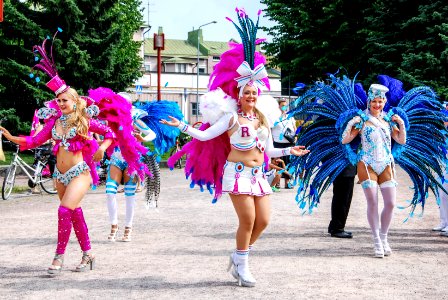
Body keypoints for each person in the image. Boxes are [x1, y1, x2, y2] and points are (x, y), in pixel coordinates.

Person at [161, 8, 310, 287]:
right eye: (246, 94)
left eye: (254, 93)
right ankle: (243, 266)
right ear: (239, 96)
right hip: (238, 173)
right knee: (249, 220)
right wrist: (182, 125)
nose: (251, 97)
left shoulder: (263, 119)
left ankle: (238, 256)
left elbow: (268, 153)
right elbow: (204, 137)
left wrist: (291, 151)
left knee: (263, 221)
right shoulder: (231, 118)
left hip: (258, 175)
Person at [0, 87, 115, 273]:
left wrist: (102, 148)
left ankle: (58, 256)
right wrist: (11, 137)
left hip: (80, 172)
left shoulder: (84, 121)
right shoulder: (54, 123)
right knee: (74, 212)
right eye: (58, 101)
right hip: (60, 175)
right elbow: (34, 141)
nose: (61, 104)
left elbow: (110, 133)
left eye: (65, 101)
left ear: (75, 102)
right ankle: (88, 254)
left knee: (64, 210)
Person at [341, 84, 406, 257]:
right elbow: (345, 140)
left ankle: (384, 237)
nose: (377, 105)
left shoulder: (389, 120)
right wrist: (351, 124)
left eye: (380, 101)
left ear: (384, 102)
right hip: (366, 163)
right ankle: (376, 240)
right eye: (374, 101)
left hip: (385, 163)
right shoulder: (362, 120)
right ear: (369, 101)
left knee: (391, 203)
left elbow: (400, 140)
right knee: (373, 203)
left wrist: (401, 123)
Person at [271, 99, 296, 188]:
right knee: (278, 163)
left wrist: (295, 137)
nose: (284, 107)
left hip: (289, 143)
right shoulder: (274, 117)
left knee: (289, 163)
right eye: (282, 105)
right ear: (278, 107)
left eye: (285, 105)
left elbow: (294, 128)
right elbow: (270, 129)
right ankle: (277, 182)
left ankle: (287, 183)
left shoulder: (290, 116)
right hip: (278, 143)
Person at [327, 165, 356, 238]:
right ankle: (337, 228)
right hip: (343, 167)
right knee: (342, 197)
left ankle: (336, 226)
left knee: (345, 197)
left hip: (347, 167)